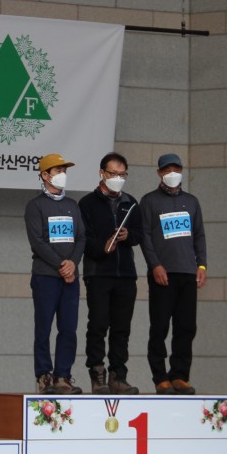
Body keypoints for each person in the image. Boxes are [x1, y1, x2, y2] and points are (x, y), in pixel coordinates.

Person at [138, 153, 207, 395]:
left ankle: (179, 375)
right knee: (159, 327)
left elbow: (199, 235)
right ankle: (160, 377)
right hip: (162, 274)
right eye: (167, 170)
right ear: (159, 173)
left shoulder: (192, 202)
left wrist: (202, 266)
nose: (172, 173)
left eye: (176, 169)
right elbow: (145, 236)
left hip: (188, 272)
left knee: (186, 327)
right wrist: (155, 265)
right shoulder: (149, 201)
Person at [78, 152, 144, 395]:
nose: (118, 178)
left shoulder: (131, 203)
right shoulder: (87, 203)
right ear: (102, 173)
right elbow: (83, 239)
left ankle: (118, 375)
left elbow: (140, 233)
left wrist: (130, 236)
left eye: (122, 174)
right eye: (113, 174)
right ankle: (97, 374)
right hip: (98, 273)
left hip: (125, 274)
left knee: (121, 328)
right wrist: (102, 247)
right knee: (98, 324)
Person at [24, 153, 85, 396]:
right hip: (46, 276)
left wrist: (72, 263)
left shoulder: (72, 205)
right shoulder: (35, 206)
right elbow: (37, 242)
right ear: (45, 175)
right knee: (44, 327)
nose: (63, 175)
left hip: (71, 278)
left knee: (68, 328)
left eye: (64, 170)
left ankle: (63, 376)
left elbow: (81, 238)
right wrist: (61, 265)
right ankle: (44, 375)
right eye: (58, 170)